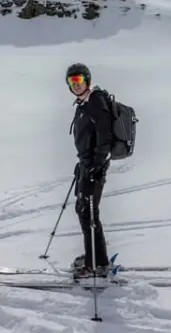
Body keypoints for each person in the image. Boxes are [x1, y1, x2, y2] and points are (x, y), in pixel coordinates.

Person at [66, 62, 112, 278]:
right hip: (86, 165)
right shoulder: (84, 104)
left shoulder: (96, 101)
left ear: (87, 81)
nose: (75, 84)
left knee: (89, 213)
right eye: (71, 81)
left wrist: (96, 164)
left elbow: (105, 136)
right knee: (83, 210)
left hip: (94, 167)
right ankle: (94, 256)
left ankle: (97, 264)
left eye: (78, 80)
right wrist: (83, 162)